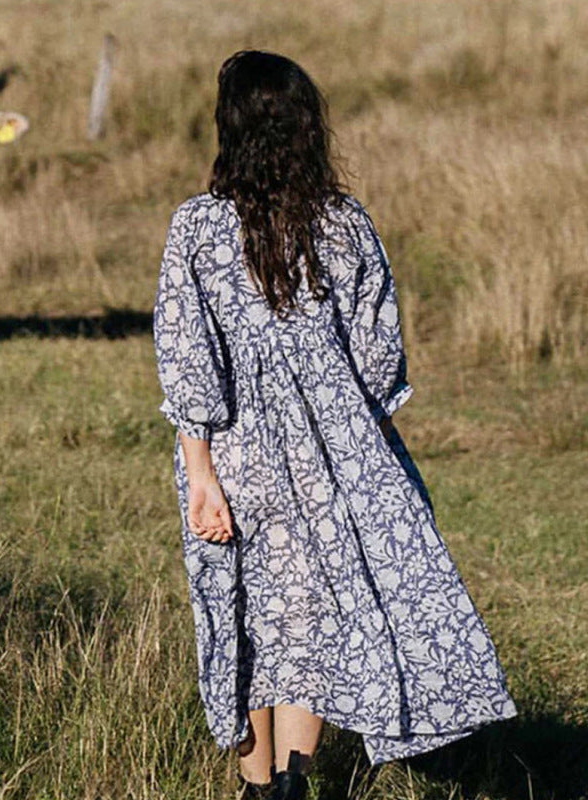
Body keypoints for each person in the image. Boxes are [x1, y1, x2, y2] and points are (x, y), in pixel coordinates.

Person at [153, 50, 516, 800]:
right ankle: (293, 786)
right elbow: (379, 362)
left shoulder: (196, 228)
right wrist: (369, 464)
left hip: (233, 457)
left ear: (232, 128)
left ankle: (260, 790)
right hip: (338, 457)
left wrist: (201, 477)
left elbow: (188, 364)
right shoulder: (345, 224)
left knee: (245, 618)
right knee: (311, 625)